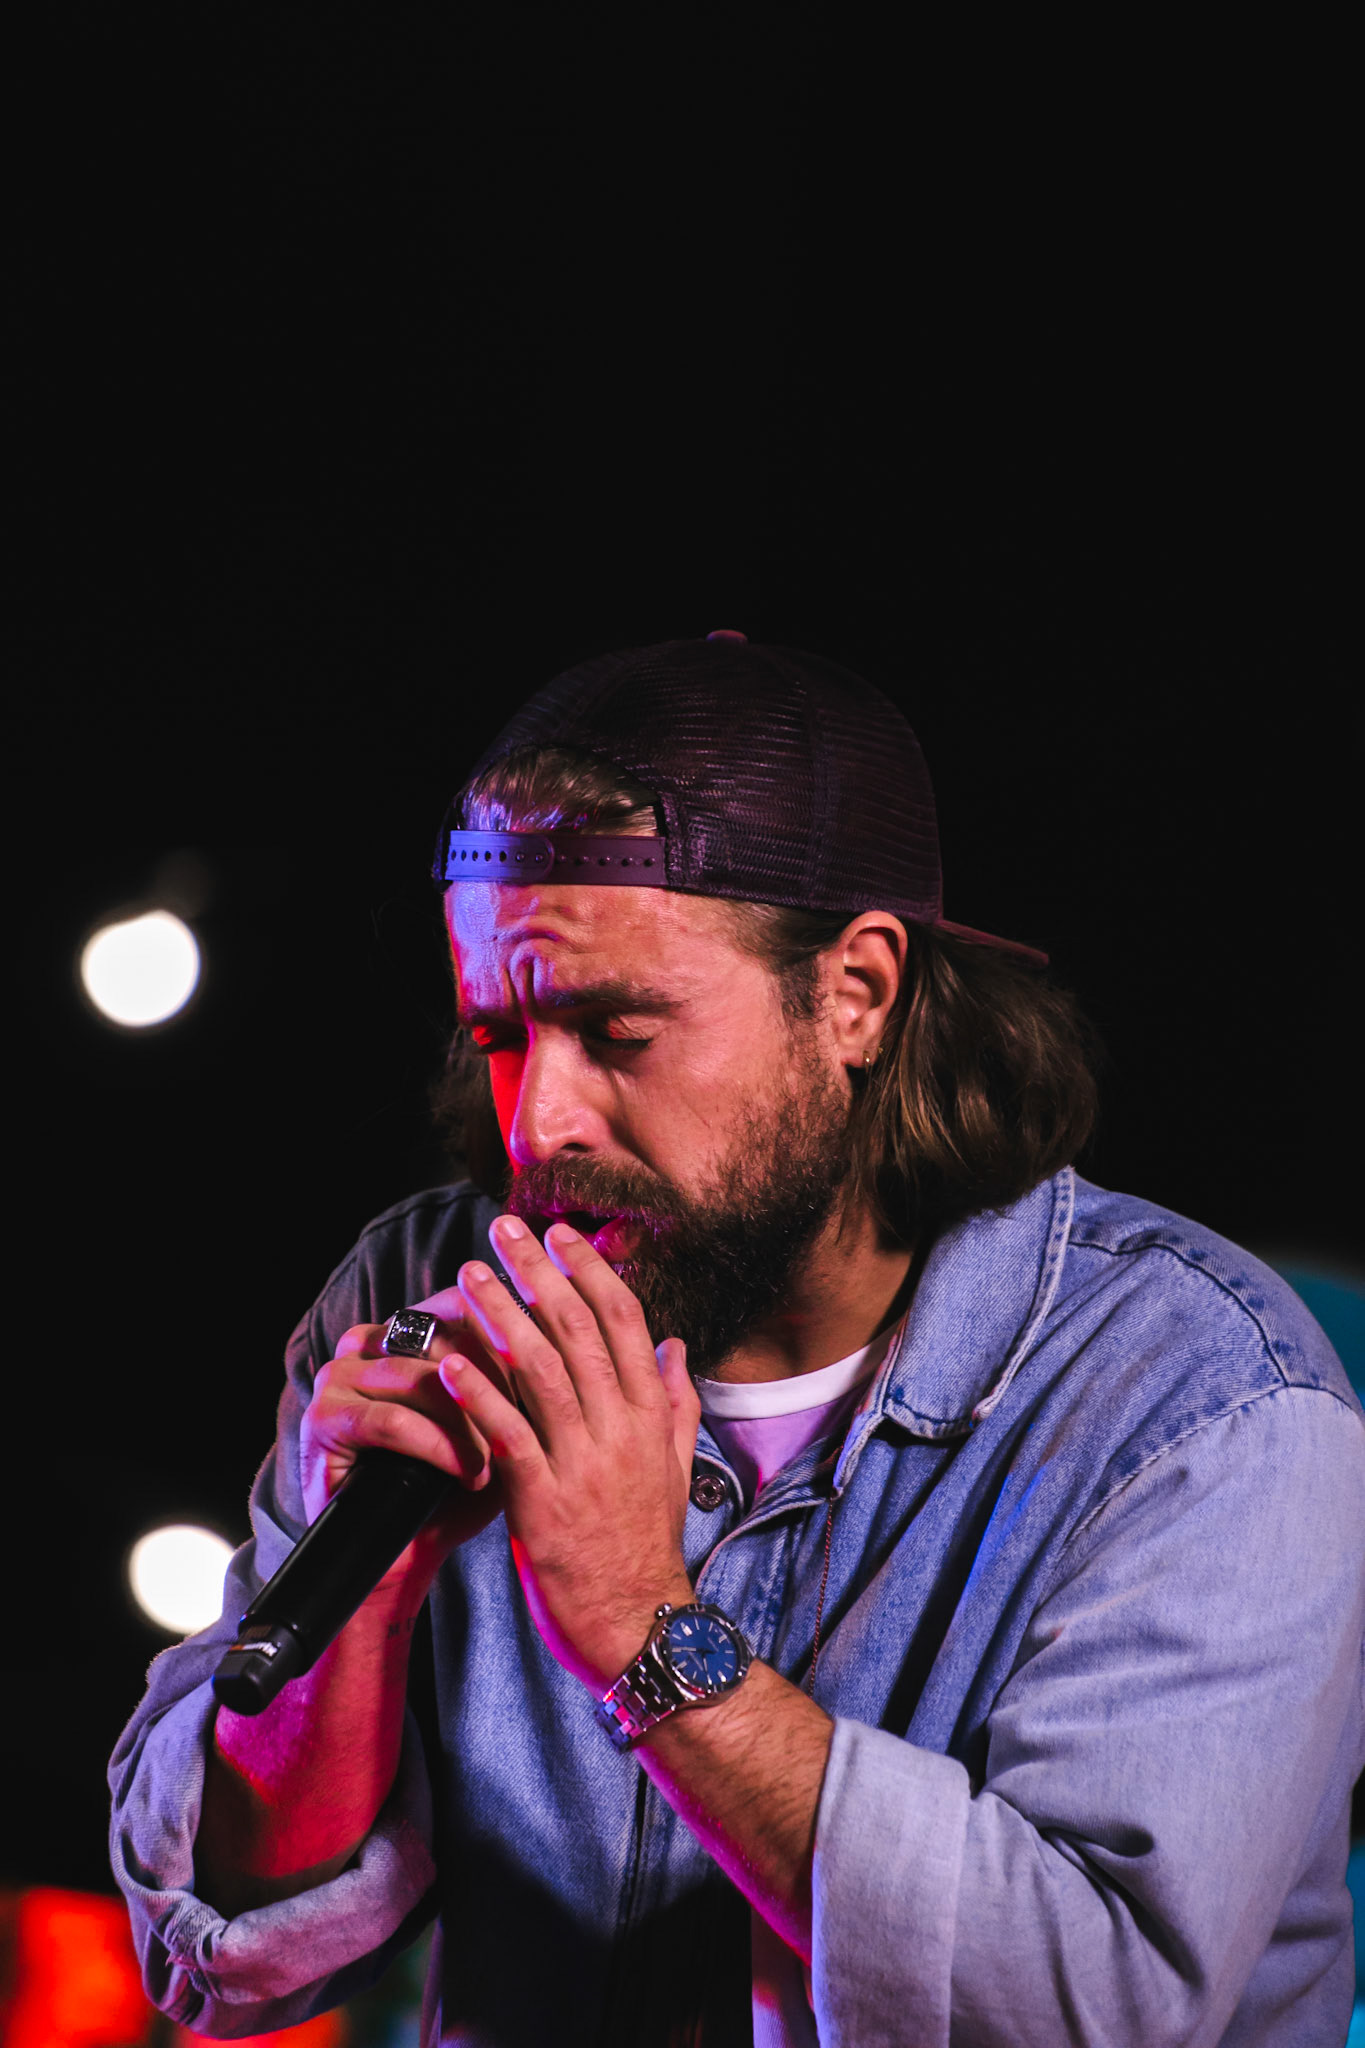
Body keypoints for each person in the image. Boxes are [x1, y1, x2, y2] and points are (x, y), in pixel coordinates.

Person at [109, 633, 1365, 2047]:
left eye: (617, 1031)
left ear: (857, 995)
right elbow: (227, 1958)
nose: (540, 1125)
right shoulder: (414, 1293)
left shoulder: (1204, 1402)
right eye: (503, 1036)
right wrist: (366, 1607)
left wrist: (637, 1624)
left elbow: (1090, 2010)